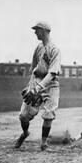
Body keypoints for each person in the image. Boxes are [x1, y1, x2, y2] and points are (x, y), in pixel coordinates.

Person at [15, 22, 61, 151]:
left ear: (45, 31)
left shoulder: (55, 49)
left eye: (37, 30)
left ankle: (44, 143)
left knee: (49, 113)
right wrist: (30, 86)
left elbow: (52, 73)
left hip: (51, 84)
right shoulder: (38, 48)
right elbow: (34, 69)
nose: (35, 32)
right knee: (23, 116)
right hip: (37, 81)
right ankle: (25, 133)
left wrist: (37, 88)